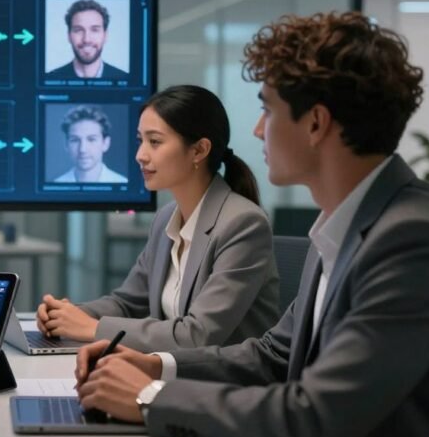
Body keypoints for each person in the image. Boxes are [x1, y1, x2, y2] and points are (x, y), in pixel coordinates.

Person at [73, 12, 429, 437]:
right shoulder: (342, 227)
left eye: (267, 110)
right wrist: (155, 366)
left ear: (315, 123)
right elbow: (274, 355)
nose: (258, 129)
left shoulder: (413, 240)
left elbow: (316, 416)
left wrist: (150, 397)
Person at [40, 86, 278, 351]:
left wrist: (92, 328)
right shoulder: (166, 219)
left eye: (154, 142)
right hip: (171, 368)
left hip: (222, 375)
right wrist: (67, 315)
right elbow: (128, 303)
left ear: (199, 150)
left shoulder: (243, 224)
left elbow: (197, 336)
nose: (140, 155)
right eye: (140, 140)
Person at [46, 0, 129, 81]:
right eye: (78, 30)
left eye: (94, 30)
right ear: (69, 36)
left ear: (105, 36)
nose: (86, 39)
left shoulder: (124, 79)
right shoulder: (51, 79)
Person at [53, 105, 128, 183]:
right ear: (66, 145)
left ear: (106, 143)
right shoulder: (56, 184)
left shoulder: (122, 182)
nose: (82, 149)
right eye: (75, 140)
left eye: (91, 139)